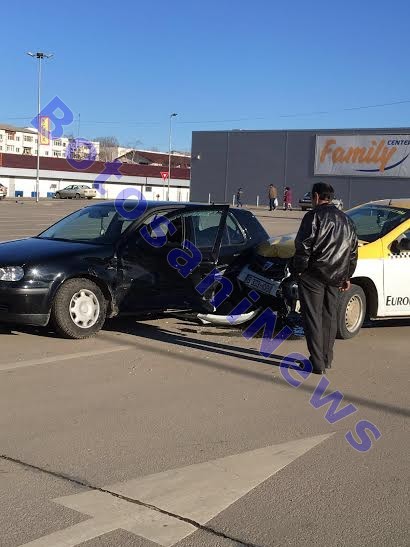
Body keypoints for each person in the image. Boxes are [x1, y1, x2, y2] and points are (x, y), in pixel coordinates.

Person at [292, 182, 358, 374]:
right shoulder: (347, 220)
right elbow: (353, 251)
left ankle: (317, 362)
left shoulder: (313, 216)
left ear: (316, 196)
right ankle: (327, 358)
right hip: (337, 275)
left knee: (312, 318)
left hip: (313, 274)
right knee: (329, 317)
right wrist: (347, 275)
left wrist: (299, 271)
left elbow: (303, 246)